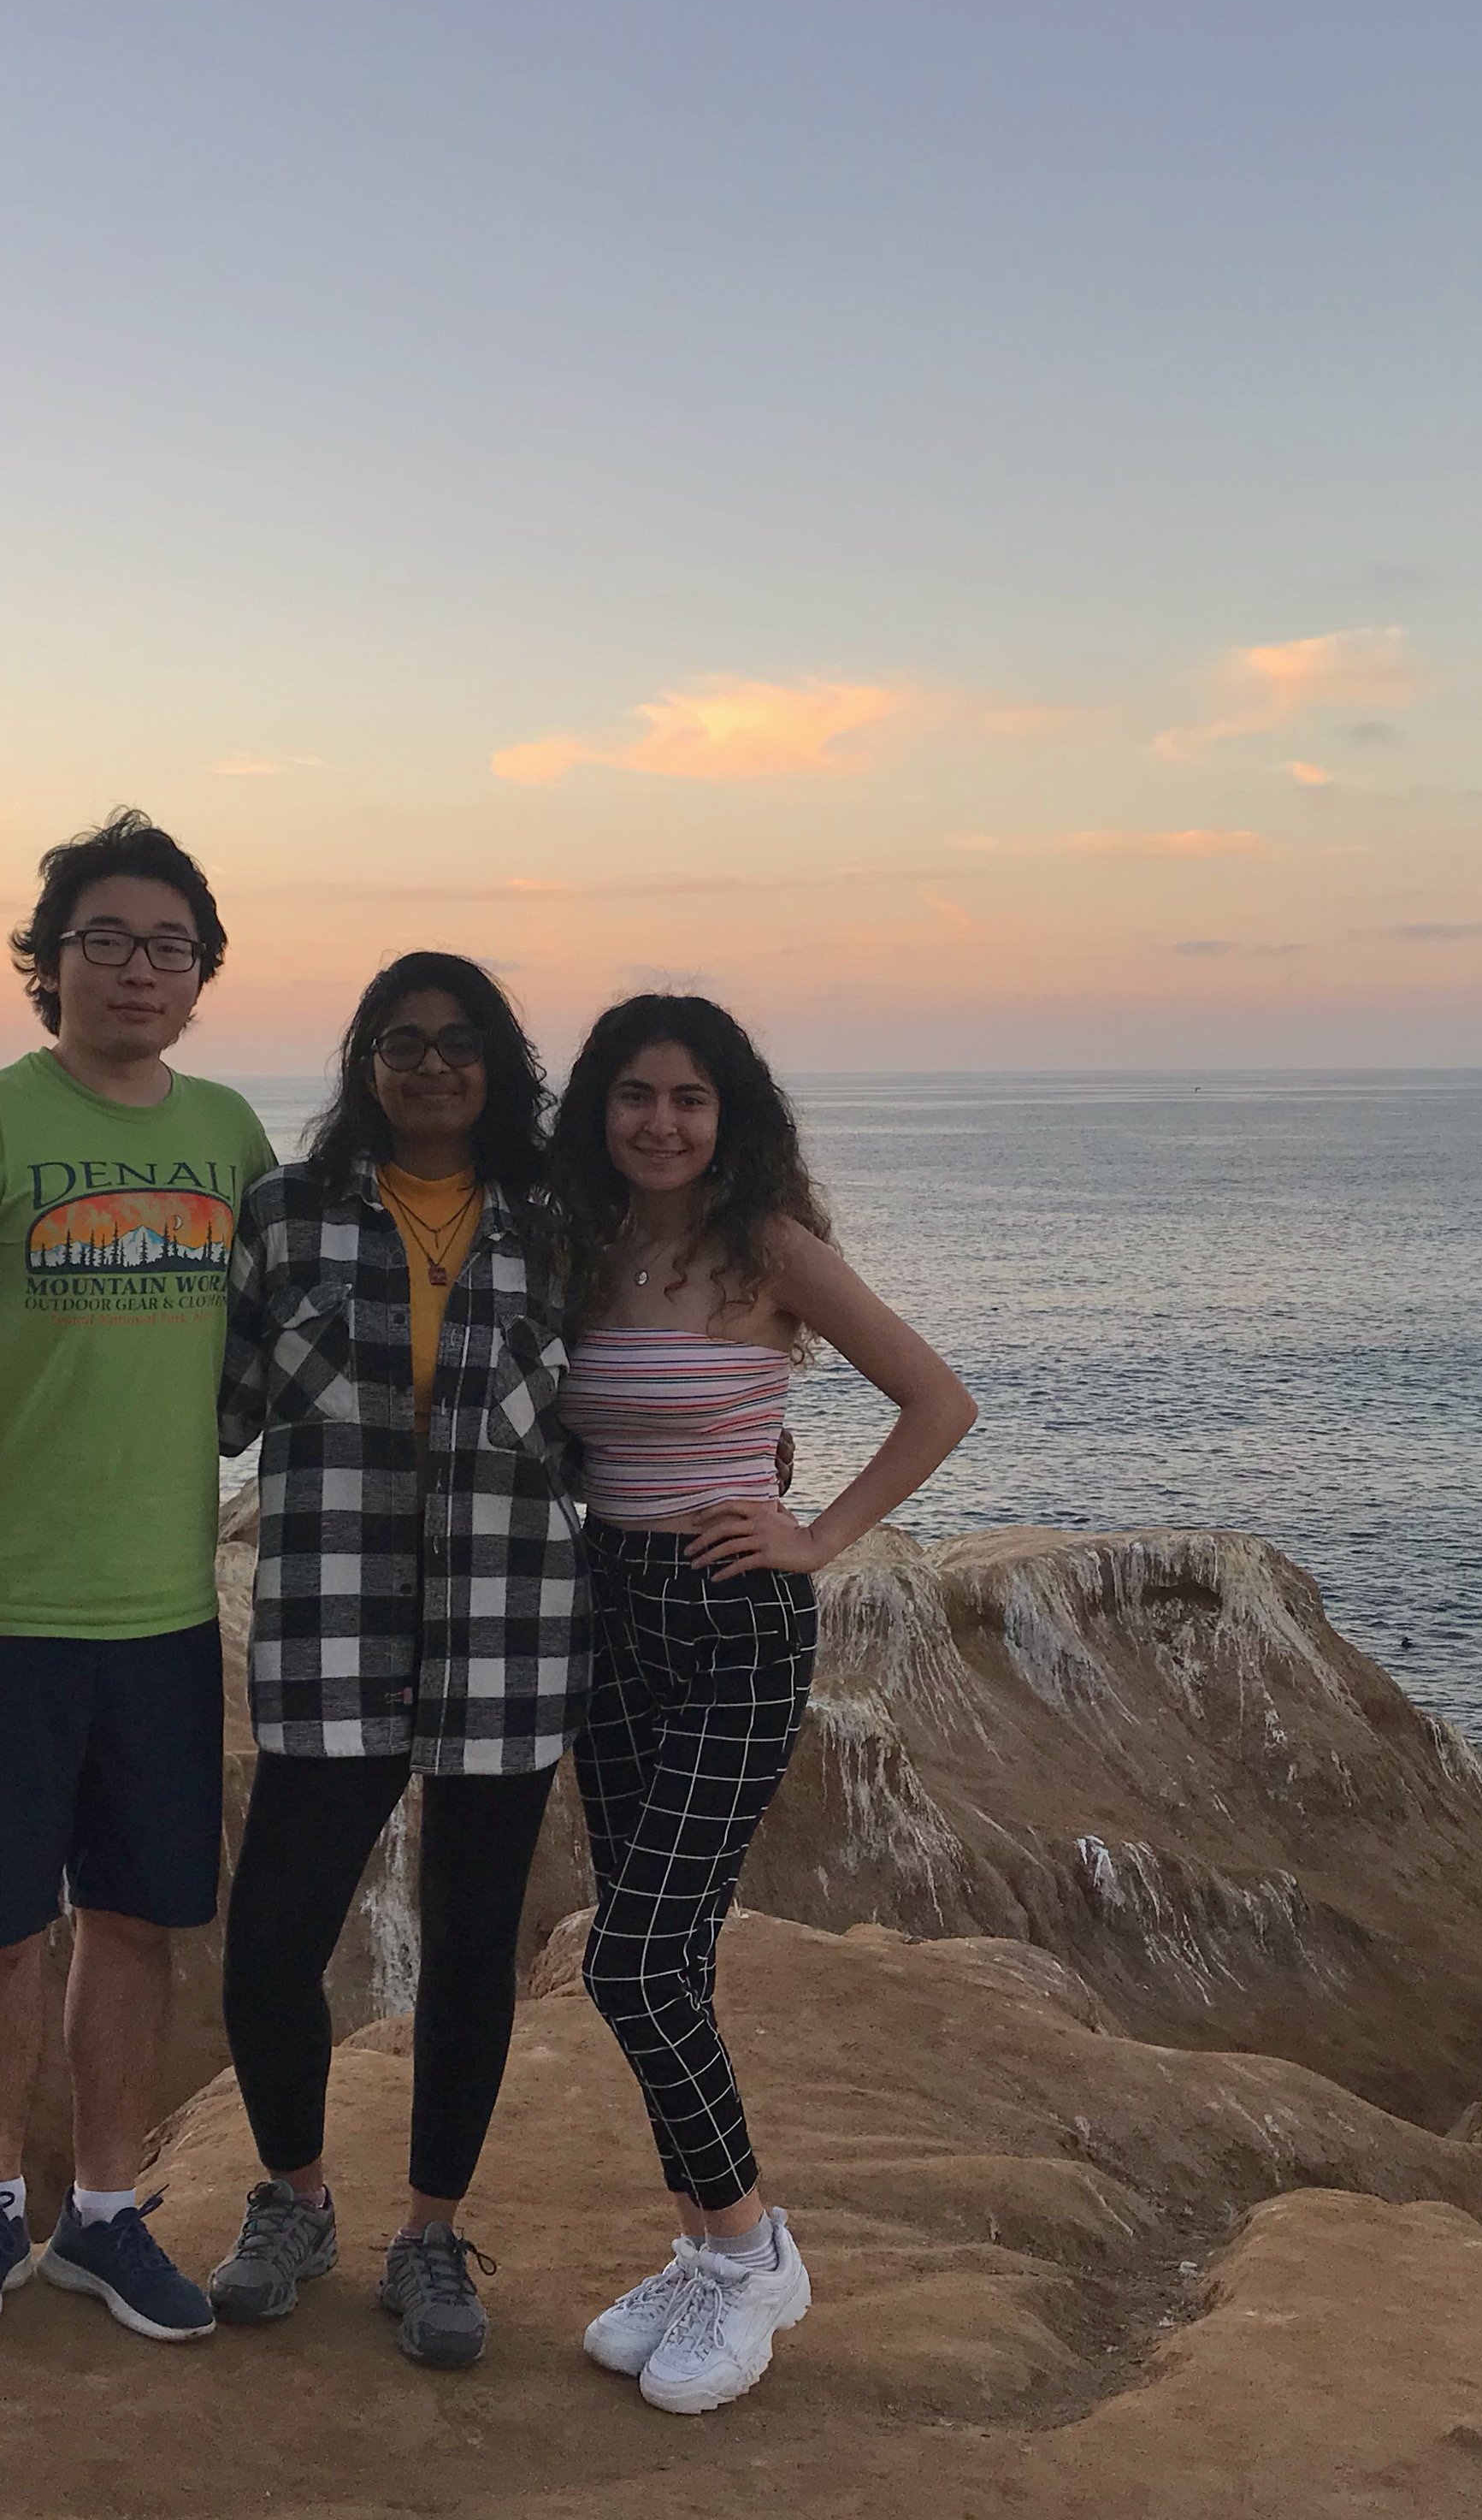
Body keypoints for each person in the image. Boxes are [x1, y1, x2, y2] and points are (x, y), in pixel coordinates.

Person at [0, 809, 277, 2346]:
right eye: (104, 940)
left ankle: (105, 2216)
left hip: (166, 1614)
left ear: (200, 975)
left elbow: (333, 1332)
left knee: (137, 1921)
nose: (138, 970)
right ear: (47, 966)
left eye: (170, 947)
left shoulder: (232, 1139)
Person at [548, 994, 975, 2415]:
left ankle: (751, 2249)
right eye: (632, 1096)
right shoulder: (578, 1249)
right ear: (597, 1112)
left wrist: (817, 1531)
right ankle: (699, 2247)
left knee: (631, 1957)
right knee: (662, 1959)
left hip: (734, 1623)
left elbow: (936, 1401)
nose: (658, 1123)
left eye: (687, 1098)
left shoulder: (772, 1253)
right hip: (607, 1618)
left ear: (729, 1117)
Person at [204, 952, 588, 2369]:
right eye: (401, 1041)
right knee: (269, 1949)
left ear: (502, 1066)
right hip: (331, 1622)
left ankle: (429, 2234)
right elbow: (214, 1406)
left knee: (472, 1947)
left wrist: (753, 1453)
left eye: (460, 1042)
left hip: (508, 1624)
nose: (432, 1065)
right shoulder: (287, 1216)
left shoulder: (559, 1224)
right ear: (364, 1064)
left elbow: (621, 1398)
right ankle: (296, 2200)